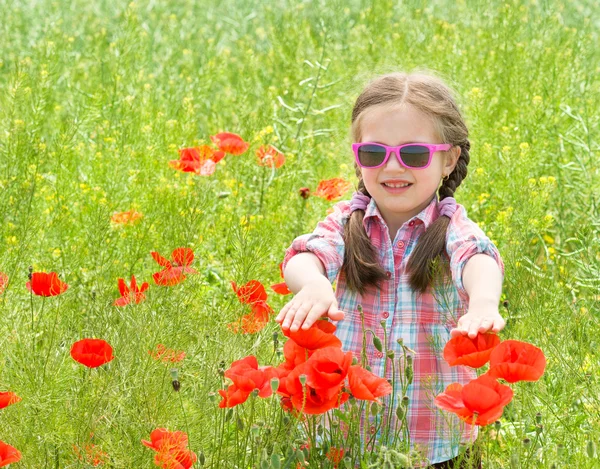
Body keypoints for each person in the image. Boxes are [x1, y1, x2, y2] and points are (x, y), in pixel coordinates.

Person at [275, 71, 505, 468]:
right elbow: (305, 255)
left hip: (435, 446)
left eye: (413, 154)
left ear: (448, 159)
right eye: (374, 153)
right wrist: (312, 284)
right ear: (357, 157)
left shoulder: (451, 229)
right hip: (343, 440)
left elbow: (478, 258)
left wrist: (483, 303)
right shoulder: (347, 222)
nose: (393, 168)